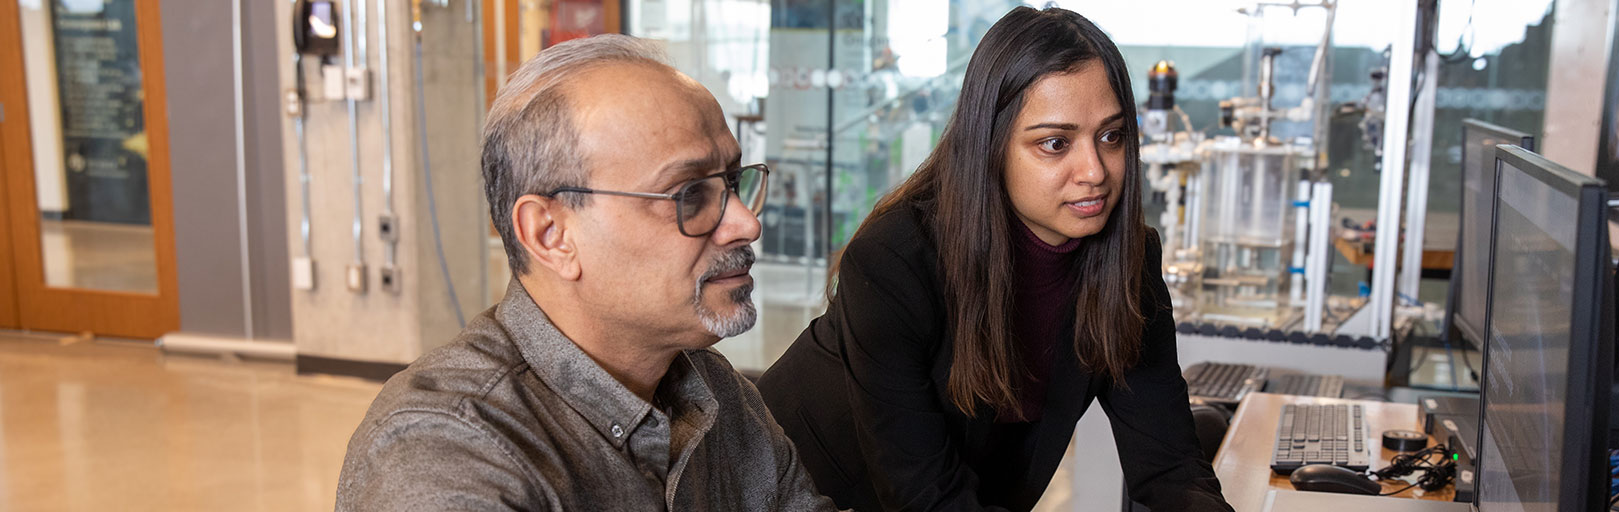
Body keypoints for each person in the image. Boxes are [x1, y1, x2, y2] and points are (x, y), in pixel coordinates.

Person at [757, 7, 1233, 511]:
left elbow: (1172, 465)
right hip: (799, 493)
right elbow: (924, 496)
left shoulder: (1129, 263)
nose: (1094, 170)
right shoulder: (895, 260)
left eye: (1111, 136)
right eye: (1055, 143)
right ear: (990, 145)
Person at [336, 35, 834, 511]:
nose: (746, 222)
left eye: (731, 182)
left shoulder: (715, 392)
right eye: (689, 194)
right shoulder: (444, 451)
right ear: (550, 234)